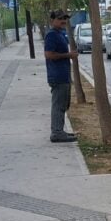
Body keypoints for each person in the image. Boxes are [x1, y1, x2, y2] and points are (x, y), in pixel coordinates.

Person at [44, 10, 79, 143]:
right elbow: (49, 54)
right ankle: (57, 133)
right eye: (60, 18)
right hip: (57, 76)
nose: (63, 21)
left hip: (63, 75)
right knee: (58, 105)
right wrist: (68, 55)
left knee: (63, 104)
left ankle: (60, 130)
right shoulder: (51, 35)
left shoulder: (60, 34)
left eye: (65, 18)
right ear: (52, 20)